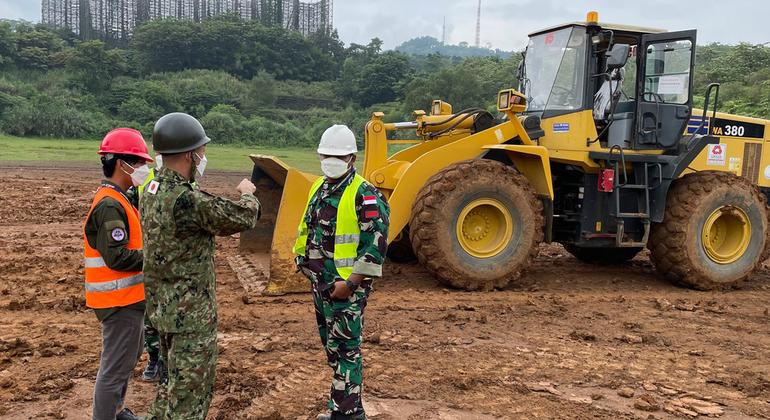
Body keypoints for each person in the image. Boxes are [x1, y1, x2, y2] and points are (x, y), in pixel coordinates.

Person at [140, 112, 261, 419]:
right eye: (202, 152)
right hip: (190, 318)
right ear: (189, 155)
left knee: (168, 389)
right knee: (189, 400)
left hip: (162, 312)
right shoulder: (186, 200)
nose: (203, 157)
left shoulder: (151, 191)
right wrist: (249, 195)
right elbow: (241, 217)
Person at [294, 125, 390, 420]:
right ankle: (349, 406)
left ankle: (346, 413)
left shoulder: (365, 193)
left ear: (352, 157)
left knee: (347, 347)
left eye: (337, 155)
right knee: (332, 345)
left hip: (346, 287)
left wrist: (351, 283)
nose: (330, 159)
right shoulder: (318, 187)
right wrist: (302, 261)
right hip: (321, 284)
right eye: (326, 154)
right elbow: (307, 228)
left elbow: (375, 243)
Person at [84, 128, 153, 420]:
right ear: (120, 163)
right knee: (113, 370)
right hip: (118, 301)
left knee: (126, 359)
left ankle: (117, 410)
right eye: (138, 163)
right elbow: (117, 257)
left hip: (128, 298)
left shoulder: (121, 198)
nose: (142, 169)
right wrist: (156, 257)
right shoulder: (110, 204)